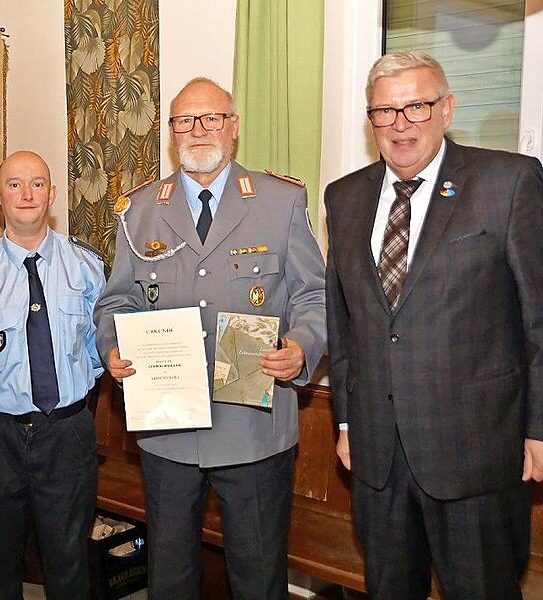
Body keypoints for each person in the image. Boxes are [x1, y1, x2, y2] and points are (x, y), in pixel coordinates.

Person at [94, 78, 327, 600]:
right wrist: (111, 347)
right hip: (169, 429)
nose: (197, 130)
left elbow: (315, 295)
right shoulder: (138, 210)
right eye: (183, 121)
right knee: (170, 577)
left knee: (258, 577)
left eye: (211, 118)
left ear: (233, 126)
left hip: (255, 426)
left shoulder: (281, 200)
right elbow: (116, 301)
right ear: (171, 132)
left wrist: (303, 348)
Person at [325, 50, 543, 600]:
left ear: (447, 109)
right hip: (378, 458)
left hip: (476, 453)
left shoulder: (508, 181)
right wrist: (347, 423)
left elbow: (539, 320)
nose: (401, 124)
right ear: (370, 118)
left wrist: (539, 428)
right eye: (385, 111)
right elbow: (344, 320)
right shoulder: (344, 197)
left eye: (417, 106)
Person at [0, 150, 106, 600]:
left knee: (69, 557)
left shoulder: (88, 267)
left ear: (52, 194)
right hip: (0, 435)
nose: (27, 193)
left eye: (38, 183)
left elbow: (99, 347)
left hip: (69, 432)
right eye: (14, 184)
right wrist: (6, 395)